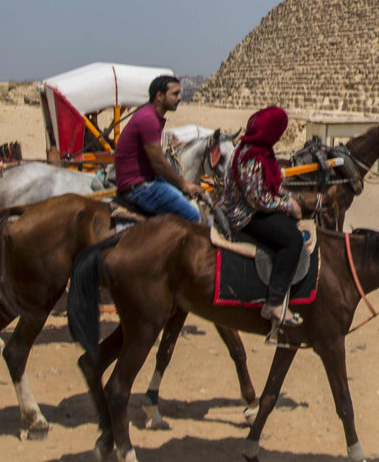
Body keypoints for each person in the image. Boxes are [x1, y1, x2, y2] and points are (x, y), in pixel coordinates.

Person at [214, 106, 307, 330]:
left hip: (249, 206)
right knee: (293, 240)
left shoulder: (257, 149)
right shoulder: (253, 156)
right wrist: (289, 206)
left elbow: (270, 185)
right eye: (279, 130)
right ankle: (274, 303)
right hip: (243, 214)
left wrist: (289, 198)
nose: (281, 135)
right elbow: (258, 200)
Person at [113, 75, 202, 222]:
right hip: (139, 186)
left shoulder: (150, 115)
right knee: (192, 215)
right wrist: (184, 184)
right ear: (159, 96)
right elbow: (159, 164)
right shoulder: (149, 119)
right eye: (175, 94)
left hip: (145, 179)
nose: (180, 97)